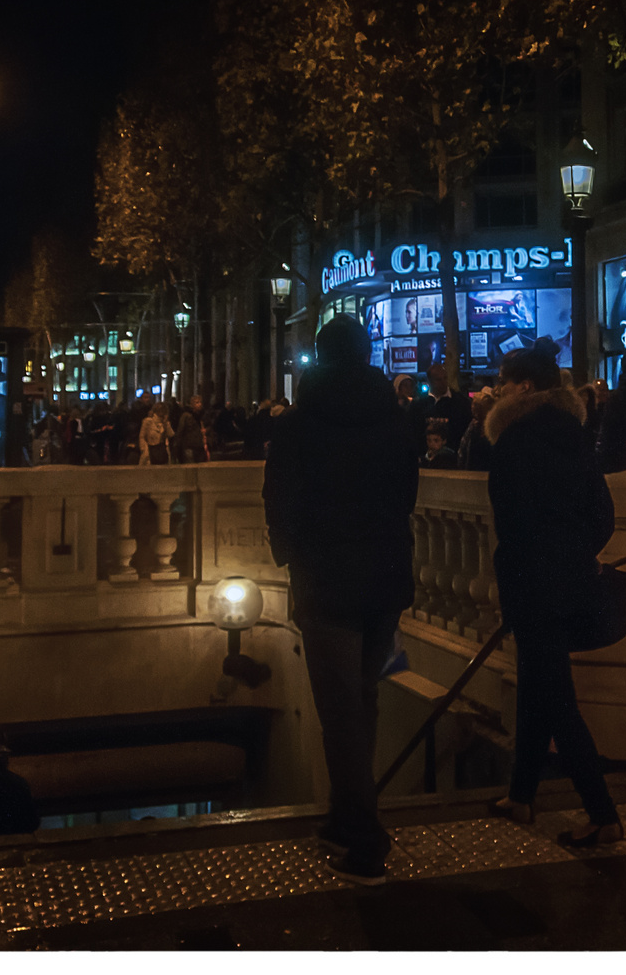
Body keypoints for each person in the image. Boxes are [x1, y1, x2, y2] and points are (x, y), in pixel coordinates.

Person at [262, 315, 421, 886]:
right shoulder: (394, 419)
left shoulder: (298, 425)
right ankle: (347, 816)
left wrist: (292, 554)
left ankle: (363, 838)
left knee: (339, 713)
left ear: (321, 359)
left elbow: (280, 498)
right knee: (365, 700)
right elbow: (407, 493)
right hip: (384, 579)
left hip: (327, 580)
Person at [482, 343, 624, 848]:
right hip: (571, 578)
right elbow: (602, 513)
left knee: (555, 696)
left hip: (531, 581)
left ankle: (602, 813)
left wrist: (525, 564)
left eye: (502, 380)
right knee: (539, 682)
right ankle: (521, 794)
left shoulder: (514, 441)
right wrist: (574, 555)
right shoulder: (575, 436)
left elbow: (509, 518)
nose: (495, 389)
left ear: (523, 386)